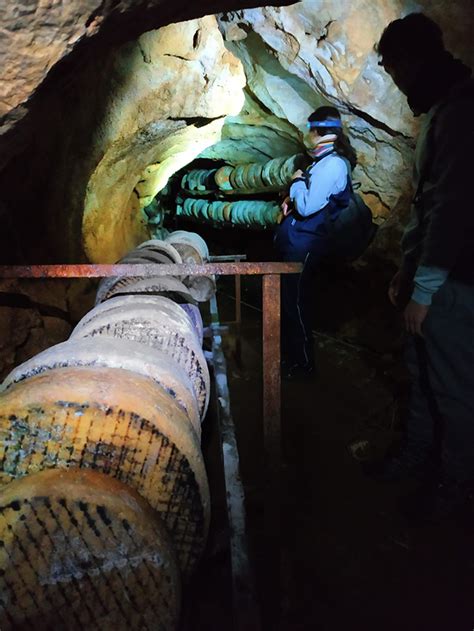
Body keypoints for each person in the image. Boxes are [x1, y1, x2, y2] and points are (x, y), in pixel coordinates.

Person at [373, 13, 474, 519]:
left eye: (394, 70)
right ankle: (418, 459)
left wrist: (425, 290)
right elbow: (426, 206)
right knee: (422, 378)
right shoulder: (442, 111)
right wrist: (406, 271)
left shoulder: (460, 115)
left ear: (414, 60)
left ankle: (455, 489)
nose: (396, 81)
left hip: (455, 288)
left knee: (453, 392)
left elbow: (453, 208)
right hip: (433, 281)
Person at [274, 106, 357, 378]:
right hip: (298, 241)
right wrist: (290, 197)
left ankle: (303, 365)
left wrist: (296, 183)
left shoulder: (333, 164)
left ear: (320, 131)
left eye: (311, 128)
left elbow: (309, 205)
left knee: (295, 303)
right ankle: (292, 359)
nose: (308, 133)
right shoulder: (321, 162)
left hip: (307, 244)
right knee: (289, 302)